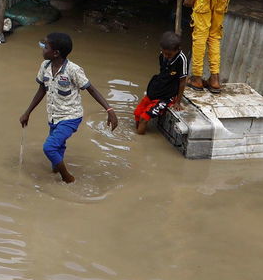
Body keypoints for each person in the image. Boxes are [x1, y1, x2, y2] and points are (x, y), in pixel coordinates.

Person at [19, 32, 119, 183]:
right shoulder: (44, 66)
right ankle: (57, 168)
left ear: (56, 53)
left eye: (45, 47)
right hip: (53, 116)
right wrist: (27, 112)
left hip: (70, 116)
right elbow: (42, 90)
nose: (42, 50)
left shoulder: (73, 70)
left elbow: (91, 89)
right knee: (56, 153)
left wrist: (109, 110)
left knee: (49, 147)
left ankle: (68, 178)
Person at [134, 31, 189, 135]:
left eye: (169, 54)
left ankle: (138, 141)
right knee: (137, 114)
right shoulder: (162, 55)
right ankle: (138, 133)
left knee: (143, 118)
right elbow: (163, 73)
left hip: (166, 97)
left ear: (177, 50)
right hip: (156, 89)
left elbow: (182, 82)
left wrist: (177, 101)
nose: (166, 56)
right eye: (164, 53)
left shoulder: (181, 60)